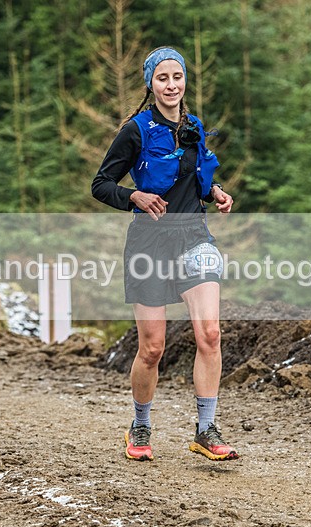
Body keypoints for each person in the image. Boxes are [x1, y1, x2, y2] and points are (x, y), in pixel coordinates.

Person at [91, 46, 239, 461]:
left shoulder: (194, 126)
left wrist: (215, 192)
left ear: (185, 81)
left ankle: (206, 429)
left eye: (177, 77)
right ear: (150, 84)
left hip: (194, 236)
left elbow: (193, 179)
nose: (171, 85)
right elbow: (100, 184)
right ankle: (140, 424)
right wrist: (133, 194)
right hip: (149, 242)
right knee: (152, 348)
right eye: (163, 78)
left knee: (209, 334)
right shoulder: (135, 130)